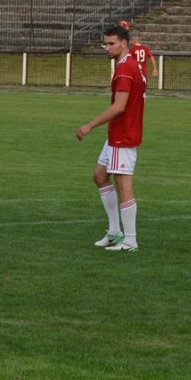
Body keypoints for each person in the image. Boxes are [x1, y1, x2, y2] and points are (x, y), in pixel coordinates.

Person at [77, 24, 147, 252]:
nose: (107, 48)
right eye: (105, 44)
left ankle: (130, 241)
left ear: (124, 43)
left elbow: (119, 106)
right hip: (118, 133)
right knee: (99, 176)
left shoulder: (125, 69)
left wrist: (90, 125)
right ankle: (115, 232)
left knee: (123, 184)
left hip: (123, 135)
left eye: (111, 43)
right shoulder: (130, 64)